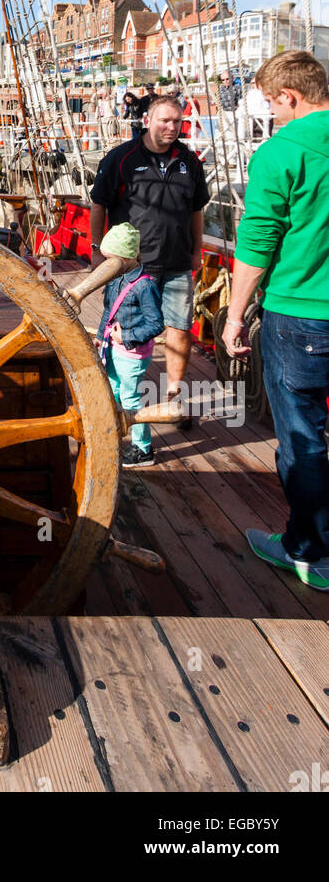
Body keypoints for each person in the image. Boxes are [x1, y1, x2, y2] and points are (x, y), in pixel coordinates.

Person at [222, 51, 329, 591]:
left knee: (303, 437)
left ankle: (309, 552)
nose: (271, 111)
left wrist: (235, 315)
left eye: (270, 101)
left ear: (289, 95)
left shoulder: (281, 153)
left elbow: (259, 240)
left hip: (303, 315)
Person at [90, 94, 209, 423]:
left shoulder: (190, 162)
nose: (172, 127)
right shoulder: (121, 159)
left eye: (177, 121)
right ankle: (119, 401)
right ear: (147, 121)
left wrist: (197, 251)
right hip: (132, 268)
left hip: (176, 263)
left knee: (179, 329)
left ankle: (173, 399)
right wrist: (96, 250)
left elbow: (196, 210)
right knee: (123, 331)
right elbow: (99, 203)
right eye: (165, 120)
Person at [96, 223, 164, 468]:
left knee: (131, 399)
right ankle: (114, 436)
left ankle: (143, 450)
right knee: (112, 391)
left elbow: (156, 324)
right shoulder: (116, 279)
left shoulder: (145, 286)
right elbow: (109, 310)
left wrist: (127, 336)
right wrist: (102, 336)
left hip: (133, 353)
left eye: (111, 260)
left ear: (126, 258)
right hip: (113, 349)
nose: (107, 266)